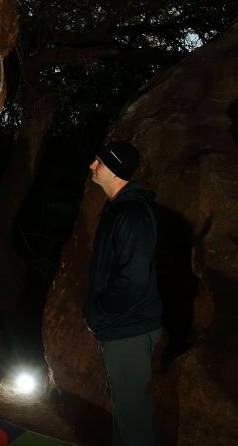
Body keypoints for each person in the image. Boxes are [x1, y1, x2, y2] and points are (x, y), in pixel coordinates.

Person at [84, 140, 163, 446]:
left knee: (133, 415)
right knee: (128, 411)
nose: (92, 165)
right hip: (121, 326)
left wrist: (100, 315)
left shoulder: (132, 216)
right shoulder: (119, 208)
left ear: (115, 171)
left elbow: (133, 282)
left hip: (128, 329)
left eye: (100, 162)